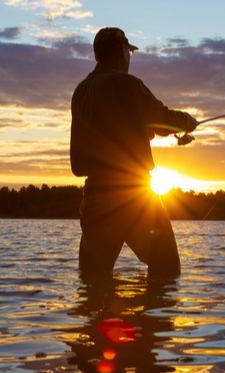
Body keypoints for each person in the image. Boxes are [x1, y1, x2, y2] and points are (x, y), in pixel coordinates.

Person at [70, 27, 198, 280]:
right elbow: (163, 119)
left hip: (95, 199)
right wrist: (186, 121)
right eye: (129, 51)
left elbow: (108, 131)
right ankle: (154, 318)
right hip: (134, 198)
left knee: (92, 280)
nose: (129, 56)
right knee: (167, 269)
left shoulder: (81, 91)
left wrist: (142, 133)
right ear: (121, 51)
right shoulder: (128, 83)